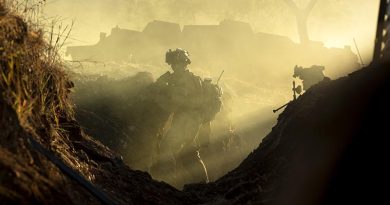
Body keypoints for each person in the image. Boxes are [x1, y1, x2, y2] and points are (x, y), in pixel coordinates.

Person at [151, 48, 222, 188]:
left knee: (167, 147)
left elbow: (177, 101)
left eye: (176, 64)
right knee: (188, 153)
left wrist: (162, 92)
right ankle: (203, 184)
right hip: (186, 120)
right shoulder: (178, 78)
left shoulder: (187, 81)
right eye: (172, 64)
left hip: (189, 120)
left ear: (184, 64)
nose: (173, 67)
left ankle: (165, 183)